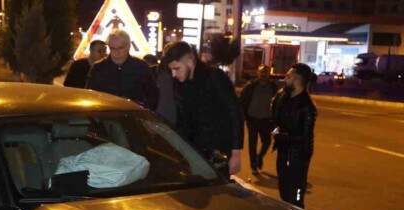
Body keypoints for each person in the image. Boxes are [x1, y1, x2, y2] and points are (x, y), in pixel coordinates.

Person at [161, 41, 243, 175]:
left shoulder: (214, 77)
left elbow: (235, 114)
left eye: (176, 68)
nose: (173, 74)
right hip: (193, 153)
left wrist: (236, 154)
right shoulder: (181, 83)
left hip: (218, 153)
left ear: (189, 62)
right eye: (171, 70)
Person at [271, 63, 318, 208]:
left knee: (297, 196)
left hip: (298, 156)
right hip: (283, 152)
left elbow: (304, 138)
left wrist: (279, 136)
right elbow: (274, 117)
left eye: (288, 76)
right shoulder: (282, 97)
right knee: (284, 192)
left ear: (297, 81)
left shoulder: (307, 107)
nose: (284, 79)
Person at [86, 29, 158, 109]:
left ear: (128, 47)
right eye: (112, 48)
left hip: (134, 116)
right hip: (106, 116)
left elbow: (153, 94)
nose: (117, 53)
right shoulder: (98, 68)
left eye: (120, 48)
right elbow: (90, 95)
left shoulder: (141, 66)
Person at [239, 64, 280, 176]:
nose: (263, 75)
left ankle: (259, 157)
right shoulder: (250, 86)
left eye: (265, 73)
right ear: (257, 73)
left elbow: (278, 103)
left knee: (267, 141)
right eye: (261, 73)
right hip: (252, 119)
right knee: (252, 143)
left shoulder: (273, 87)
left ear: (269, 74)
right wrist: (242, 115)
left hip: (266, 120)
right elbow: (242, 101)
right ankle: (253, 166)